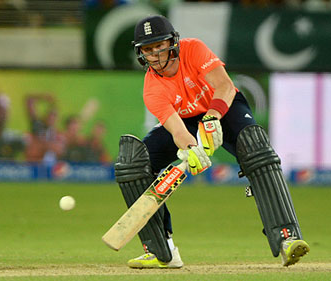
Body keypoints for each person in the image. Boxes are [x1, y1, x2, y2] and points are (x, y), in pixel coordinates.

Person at [114, 15, 310, 269]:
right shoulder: (151, 88)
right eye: (148, 49)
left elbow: (225, 86)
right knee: (135, 162)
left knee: (256, 148)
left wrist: (213, 116)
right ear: (141, 53)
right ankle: (161, 250)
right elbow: (176, 129)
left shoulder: (193, 49)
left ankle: (287, 238)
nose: (155, 54)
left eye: (159, 45)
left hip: (224, 107)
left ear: (172, 42)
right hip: (186, 121)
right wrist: (192, 149)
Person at [24, 93, 64, 164]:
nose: (52, 118)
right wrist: (43, 97)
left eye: (54, 116)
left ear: (57, 119)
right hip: (34, 163)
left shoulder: (57, 133)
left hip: (49, 167)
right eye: (50, 115)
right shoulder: (38, 125)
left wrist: (42, 144)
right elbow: (29, 101)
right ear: (45, 116)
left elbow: (59, 150)